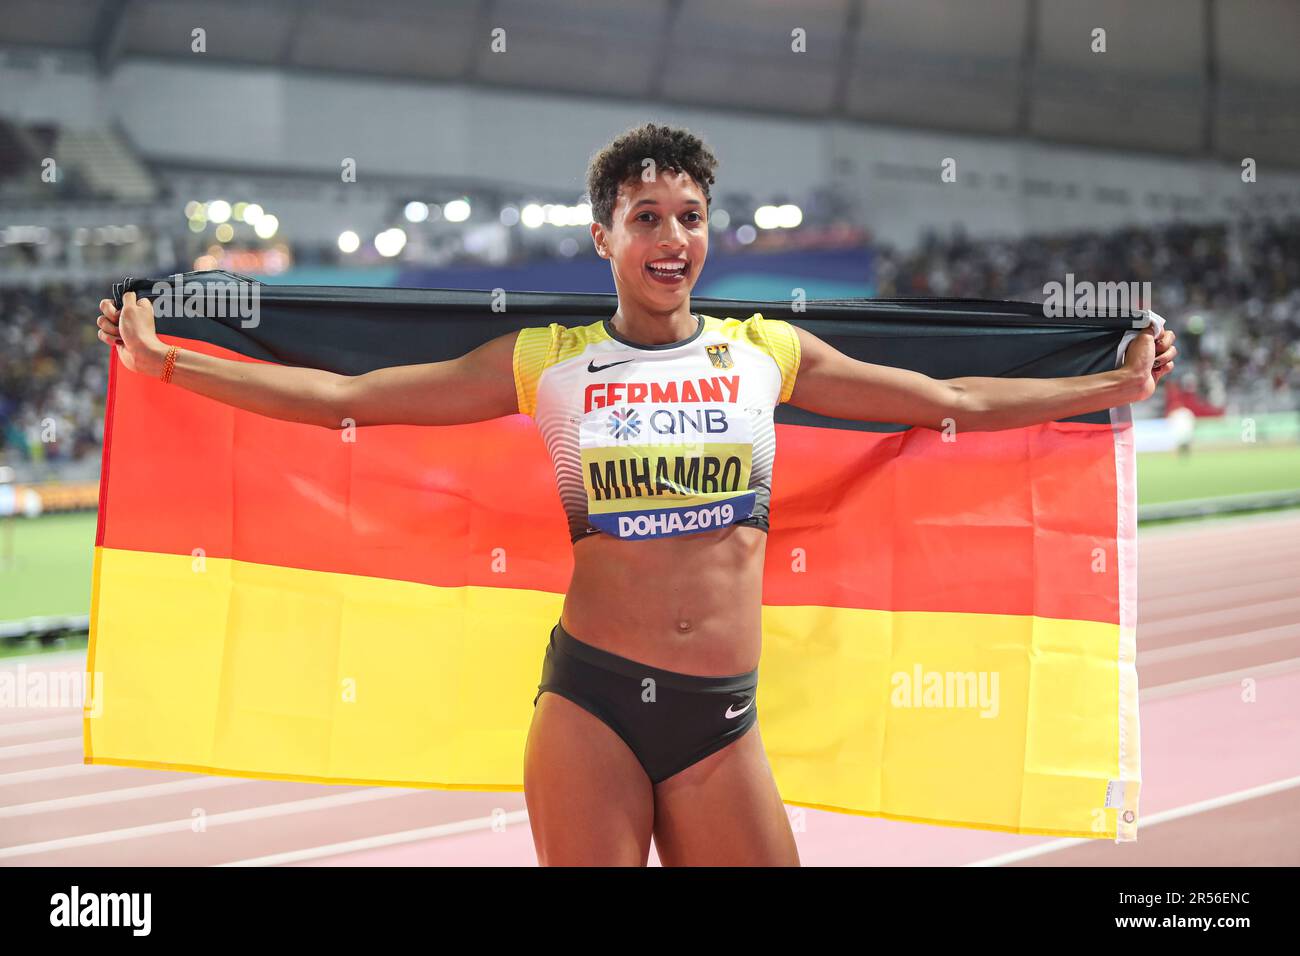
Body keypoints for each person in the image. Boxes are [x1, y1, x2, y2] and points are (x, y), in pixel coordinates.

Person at [94, 122, 1178, 866]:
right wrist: (169, 366)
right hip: (591, 703)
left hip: (721, 715)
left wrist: (1113, 383)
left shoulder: (769, 352)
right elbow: (350, 395)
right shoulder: (545, 359)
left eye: (690, 215)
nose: (672, 238)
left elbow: (942, 397)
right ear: (603, 235)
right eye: (646, 217)